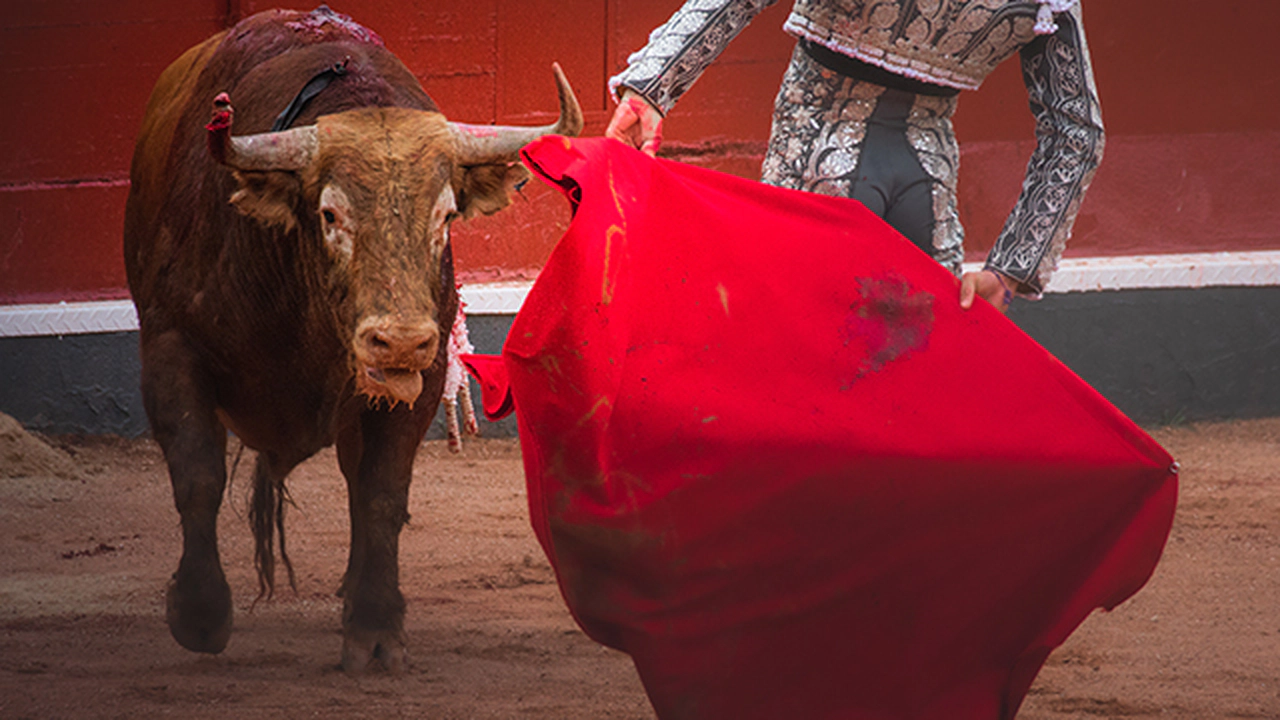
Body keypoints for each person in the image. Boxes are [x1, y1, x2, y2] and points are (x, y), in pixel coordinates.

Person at [605, 0, 1104, 313]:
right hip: (925, 182)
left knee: (788, 380)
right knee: (915, 393)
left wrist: (653, 87)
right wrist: (1010, 272)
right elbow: (1075, 131)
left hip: (818, 159)